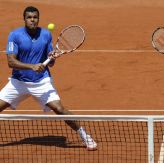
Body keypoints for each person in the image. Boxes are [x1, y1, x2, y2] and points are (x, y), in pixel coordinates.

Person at [0, 6, 97, 150]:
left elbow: (50, 62)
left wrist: (52, 58)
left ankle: (85, 136)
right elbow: (11, 62)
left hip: (41, 81)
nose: (32, 20)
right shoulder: (14, 35)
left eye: (35, 17)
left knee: (59, 108)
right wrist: (31, 66)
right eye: (29, 17)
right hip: (18, 82)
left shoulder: (46, 35)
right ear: (24, 19)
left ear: (38, 19)